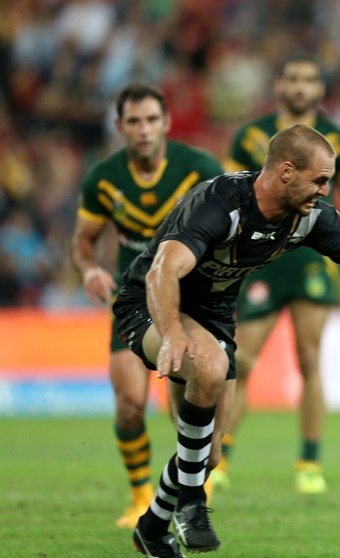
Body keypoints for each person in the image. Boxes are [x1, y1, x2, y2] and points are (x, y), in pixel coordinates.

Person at [113, 124, 340, 558]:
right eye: (319, 179)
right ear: (287, 172)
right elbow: (163, 270)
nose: (324, 189)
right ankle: (191, 503)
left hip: (213, 315)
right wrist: (174, 335)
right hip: (150, 301)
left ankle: (152, 529)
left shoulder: (311, 217)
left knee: (209, 454)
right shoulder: (218, 203)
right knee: (210, 367)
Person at [218, 52, 340, 494]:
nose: (301, 86)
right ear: (279, 86)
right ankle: (222, 457)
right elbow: (226, 196)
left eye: (309, 79)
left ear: (320, 89)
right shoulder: (250, 136)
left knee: (309, 360)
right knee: (242, 361)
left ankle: (309, 462)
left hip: (313, 257)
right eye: (293, 78)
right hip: (258, 259)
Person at [70, 82, 224, 530]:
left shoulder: (198, 168)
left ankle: (191, 485)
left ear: (167, 123)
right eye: (134, 122)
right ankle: (140, 496)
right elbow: (82, 240)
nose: (143, 130)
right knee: (130, 405)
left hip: (192, 303)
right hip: (134, 303)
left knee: (189, 399)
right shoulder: (104, 177)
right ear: (120, 127)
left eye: (152, 120)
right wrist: (88, 270)